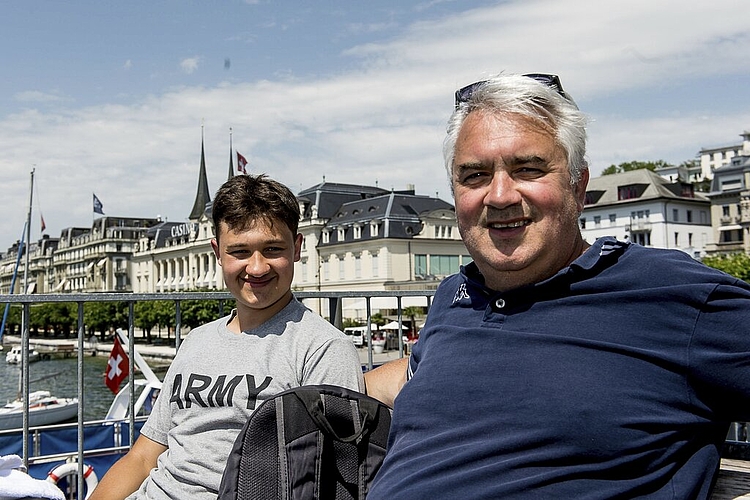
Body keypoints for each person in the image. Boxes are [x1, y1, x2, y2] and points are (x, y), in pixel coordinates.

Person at [365, 73, 750, 499]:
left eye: (528, 169)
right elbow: (422, 374)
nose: (499, 196)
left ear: (578, 186)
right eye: (474, 175)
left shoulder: (674, 296)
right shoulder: (456, 295)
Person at [91, 174, 364, 500]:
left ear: (298, 249)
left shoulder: (322, 349)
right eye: (241, 251)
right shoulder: (196, 341)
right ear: (218, 253)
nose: (258, 267)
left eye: (273, 249)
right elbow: (142, 457)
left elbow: (334, 478)